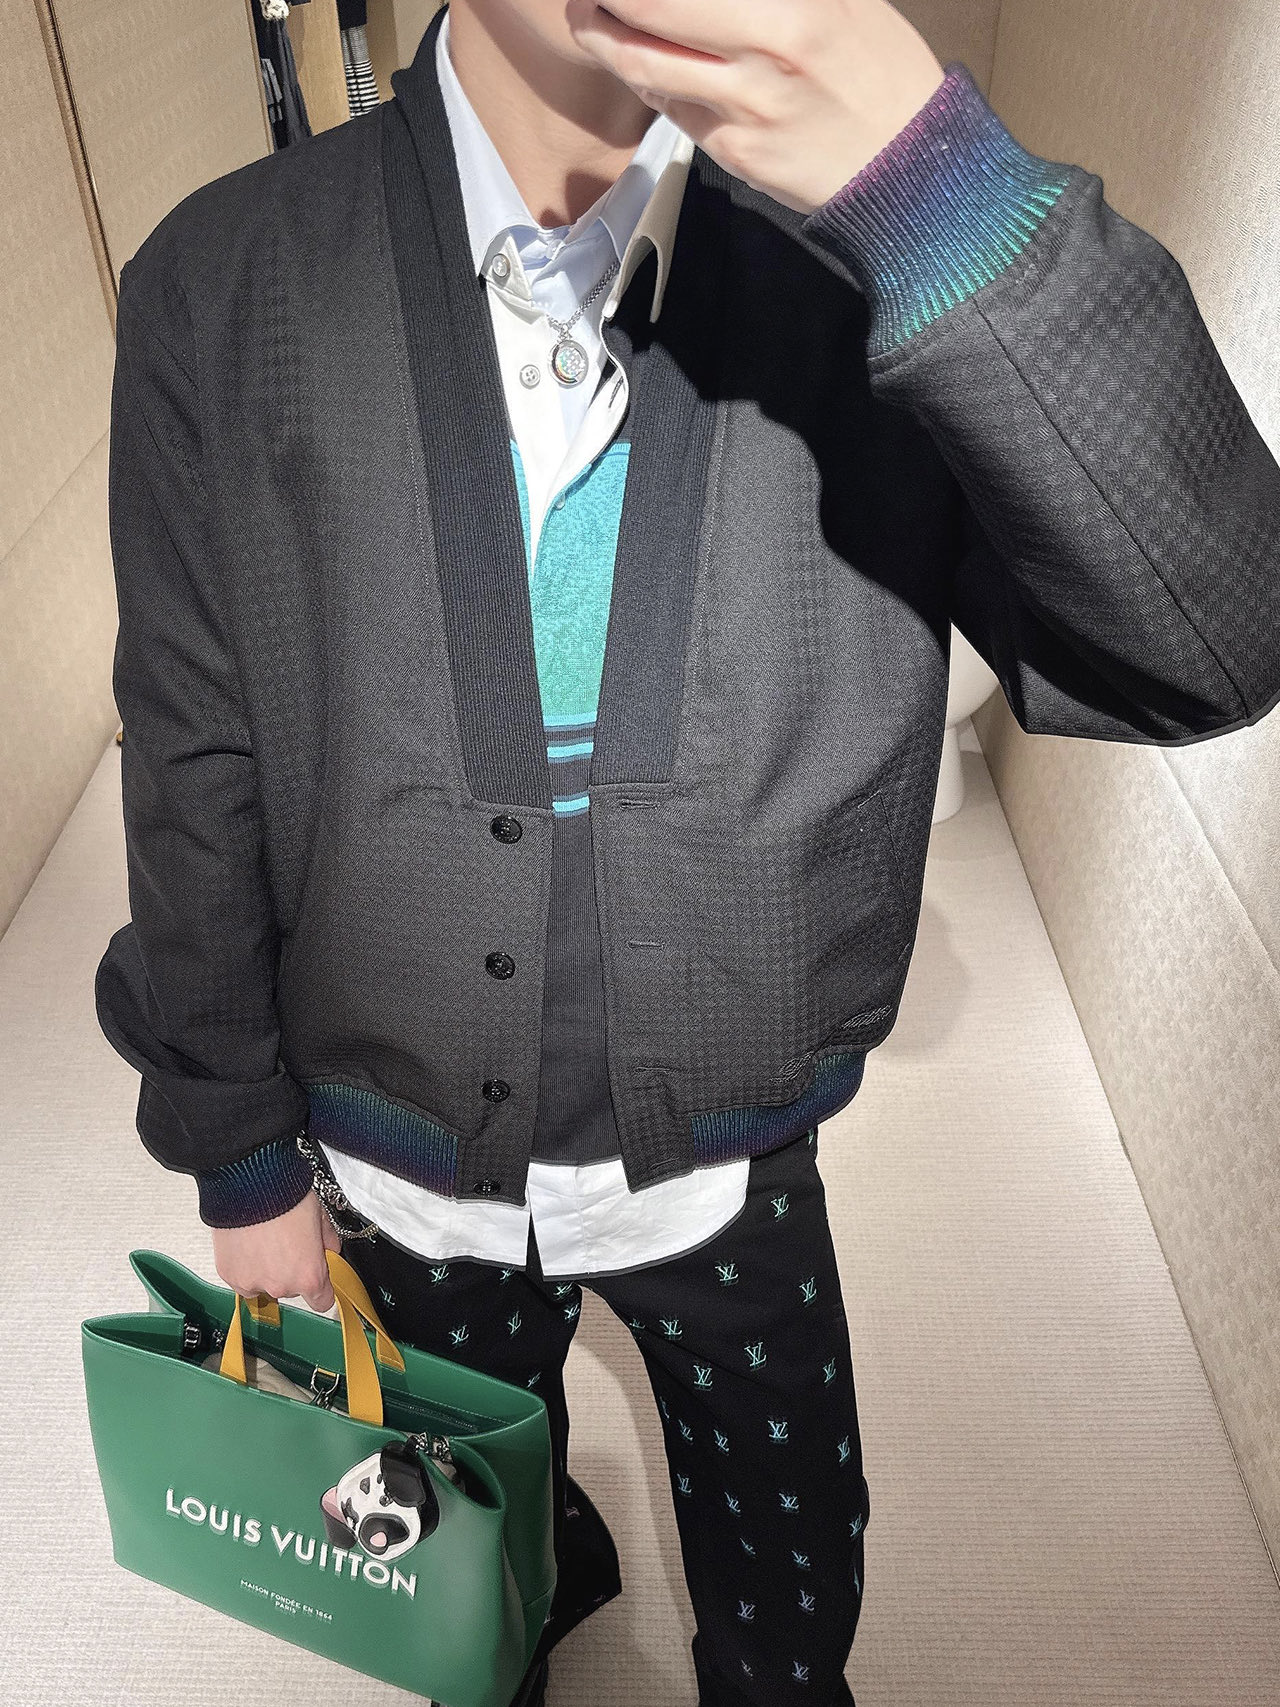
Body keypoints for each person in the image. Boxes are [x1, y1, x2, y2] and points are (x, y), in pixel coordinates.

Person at [96, 3, 1280, 1705]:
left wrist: (937, 191)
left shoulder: (872, 261)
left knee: (790, 1595)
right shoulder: (223, 280)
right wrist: (239, 1156)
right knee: (459, 1569)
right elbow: (192, 752)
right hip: (400, 1152)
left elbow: (1211, 642)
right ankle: (531, 1592)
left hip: (727, 1152)